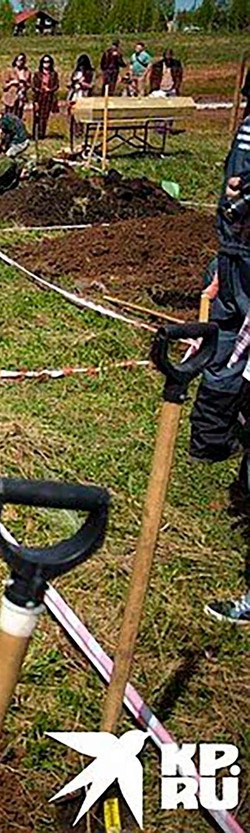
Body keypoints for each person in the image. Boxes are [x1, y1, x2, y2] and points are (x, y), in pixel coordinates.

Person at [201, 112, 250, 625]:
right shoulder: (245, 129)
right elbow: (232, 194)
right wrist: (226, 260)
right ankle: (217, 439)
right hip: (237, 260)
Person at [32, 55, 60, 140]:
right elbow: (33, 86)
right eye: (44, 62)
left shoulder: (53, 74)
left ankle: (42, 134)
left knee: (44, 116)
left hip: (48, 97)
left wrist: (50, 90)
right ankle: (35, 134)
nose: (46, 64)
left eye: (48, 62)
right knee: (37, 115)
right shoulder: (37, 74)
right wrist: (40, 89)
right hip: (38, 96)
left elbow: (56, 85)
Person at [2, 54, 30, 119]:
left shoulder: (27, 72)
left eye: (22, 60)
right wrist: (12, 83)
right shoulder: (10, 71)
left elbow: (29, 84)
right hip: (11, 96)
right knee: (9, 115)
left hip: (21, 96)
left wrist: (25, 84)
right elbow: (4, 86)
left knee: (19, 115)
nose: (20, 62)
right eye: (19, 60)